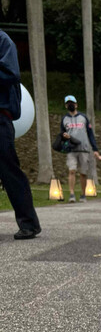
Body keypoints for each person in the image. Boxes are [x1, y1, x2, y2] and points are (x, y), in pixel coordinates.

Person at [0, 28, 42, 239]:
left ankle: (29, 223)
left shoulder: (3, 40)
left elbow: (10, 73)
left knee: (9, 171)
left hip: (0, 116)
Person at [60, 94, 101, 203]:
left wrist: (95, 148)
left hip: (84, 149)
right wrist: (64, 139)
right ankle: (72, 194)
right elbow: (61, 134)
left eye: (72, 103)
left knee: (83, 172)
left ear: (76, 105)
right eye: (68, 104)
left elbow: (90, 133)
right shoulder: (64, 119)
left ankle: (83, 194)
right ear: (66, 106)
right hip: (71, 150)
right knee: (72, 170)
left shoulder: (83, 118)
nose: (70, 105)